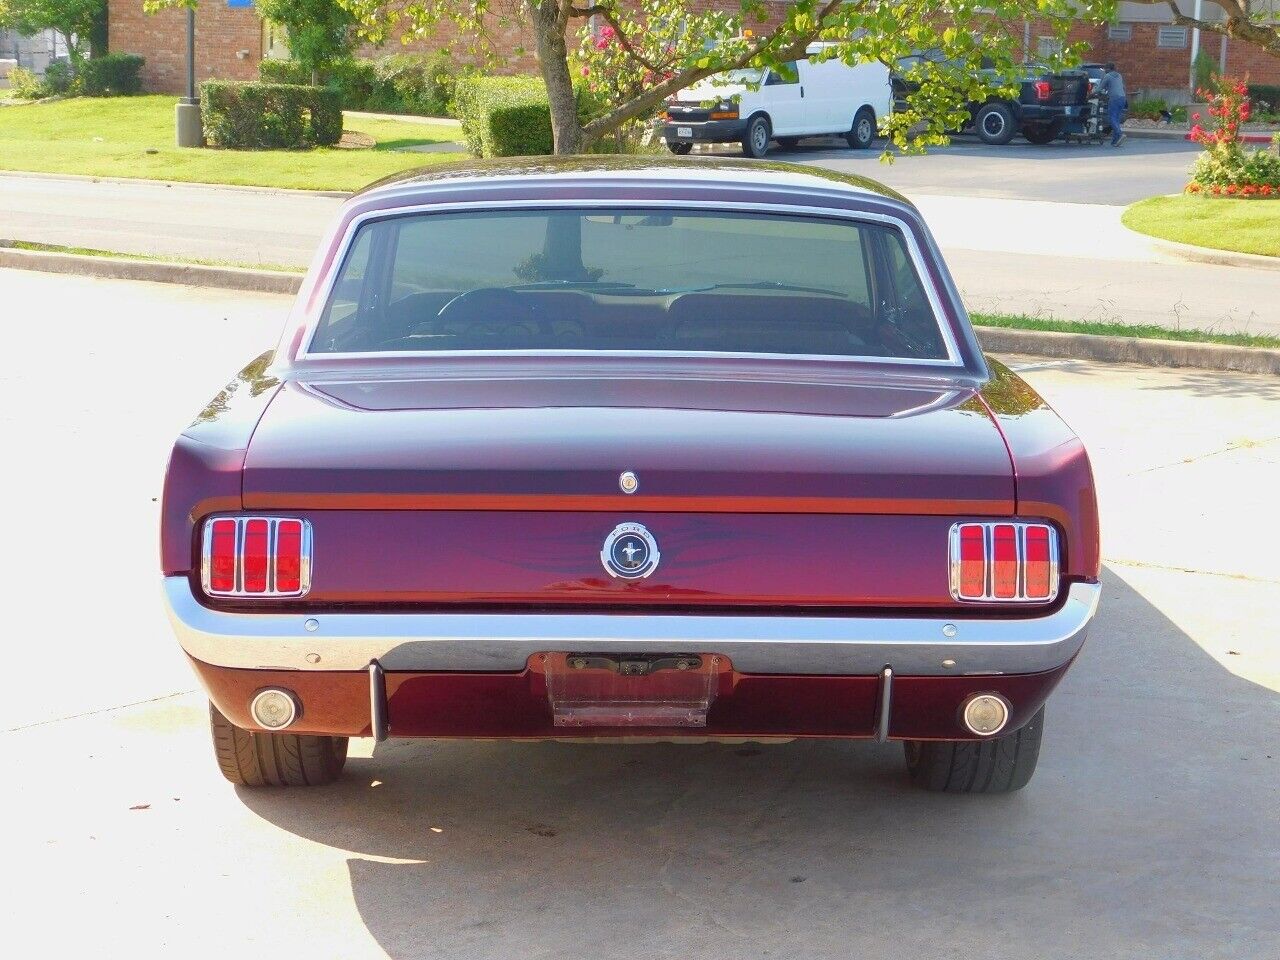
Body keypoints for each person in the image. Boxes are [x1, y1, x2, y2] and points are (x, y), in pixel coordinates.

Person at [1096, 62, 1127, 146]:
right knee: (1116, 119)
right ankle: (1115, 140)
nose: (1104, 70)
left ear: (1108, 69)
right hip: (1122, 98)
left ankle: (1120, 134)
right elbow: (1121, 87)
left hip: (1114, 99)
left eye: (1105, 69)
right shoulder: (1119, 76)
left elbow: (1099, 89)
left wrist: (1092, 94)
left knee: (1112, 118)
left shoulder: (1108, 76)